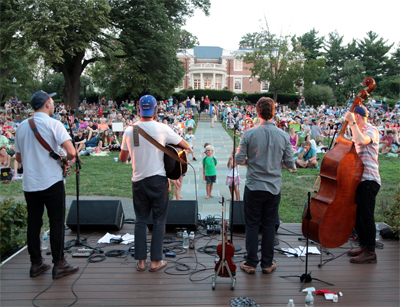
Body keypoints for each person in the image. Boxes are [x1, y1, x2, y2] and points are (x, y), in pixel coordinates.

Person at [119, 95, 193, 272]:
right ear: (156, 110)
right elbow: (185, 144)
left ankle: (141, 261)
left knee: (140, 221)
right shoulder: (162, 128)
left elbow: (123, 158)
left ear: (138, 110)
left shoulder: (130, 130)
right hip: (158, 180)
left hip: (138, 181)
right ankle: (156, 262)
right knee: (159, 221)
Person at [14, 90, 79, 279]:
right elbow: (72, 152)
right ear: (47, 104)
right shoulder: (54, 124)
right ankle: (59, 264)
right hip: (51, 181)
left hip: (30, 183)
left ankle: (36, 264)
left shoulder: (21, 127)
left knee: (34, 223)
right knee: (56, 222)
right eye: (52, 101)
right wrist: (65, 159)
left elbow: (18, 157)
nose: (53, 104)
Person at [235, 97, 294, 274]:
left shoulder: (248, 134)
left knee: (252, 225)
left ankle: (251, 262)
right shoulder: (284, 135)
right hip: (273, 188)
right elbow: (290, 164)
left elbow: (238, 159)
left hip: (254, 187)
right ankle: (267, 264)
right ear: (274, 112)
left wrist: (251, 162)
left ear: (257, 112)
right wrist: (275, 164)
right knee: (269, 225)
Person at [344, 106, 381, 264]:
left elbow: (361, 140)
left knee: (366, 216)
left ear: (357, 116)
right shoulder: (357, 130)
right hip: (358, 180)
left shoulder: (370, 129)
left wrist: (351, 123)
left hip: (369, 179)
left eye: (352, 118)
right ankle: (363, 245)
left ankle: (370, 251)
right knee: (357, 216)